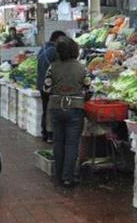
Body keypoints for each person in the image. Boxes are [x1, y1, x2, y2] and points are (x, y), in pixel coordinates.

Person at [44, 36, 90, 188]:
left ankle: (58, 175)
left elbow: (46, 88)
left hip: (56, 107)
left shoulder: (53, 67)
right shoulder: (82, 67)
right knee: (72, 144)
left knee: (58, 142)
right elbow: (88, 89)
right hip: (75, 108)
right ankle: (68, 178)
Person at [37, 30, 67, 143]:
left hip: (41, 84)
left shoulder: (43, 49)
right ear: (57, 39)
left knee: (46, 109)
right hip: (50, 85)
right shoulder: (54, 51)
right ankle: (50, 134)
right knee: (51, 110)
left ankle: (44, 132)